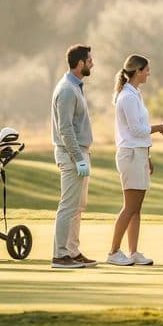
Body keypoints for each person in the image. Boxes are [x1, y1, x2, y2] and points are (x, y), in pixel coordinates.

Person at [107, 55, 163, 266]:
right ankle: (114, 252)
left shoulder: (135, 94)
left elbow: (138, 131)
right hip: (130, 154)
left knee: (137, 207)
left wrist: (148, 155)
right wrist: (158, 128)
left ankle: (133, 252)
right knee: (130, 206)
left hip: (139, 153)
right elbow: (136, 129)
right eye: (146, 70)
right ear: (138, 71)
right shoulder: (127, 97)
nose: (149, 73)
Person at [51, 44, 96, 268]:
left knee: (78, 207)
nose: (92, 64)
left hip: (79, 153)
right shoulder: (67, 89)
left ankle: (72, 251)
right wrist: (78, 158)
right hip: (71, 155)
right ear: (80, 63)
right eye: (89, 61)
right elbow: (65, 129)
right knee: (68, 206)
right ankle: (60, 255)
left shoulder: (75, 86)